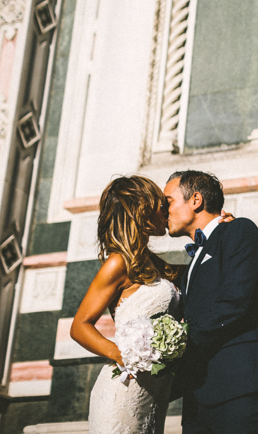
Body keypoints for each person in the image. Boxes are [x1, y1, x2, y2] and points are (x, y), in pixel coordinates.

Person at [164, 170, 258, 434]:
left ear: (196, 200)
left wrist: (178, 342)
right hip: (198, 398)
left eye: (168, 202)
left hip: (241, 388)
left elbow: (235, 302)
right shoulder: (196, 258)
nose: (164, 212)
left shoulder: (239, 231)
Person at [71, 175, 182, 434]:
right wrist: (121, 354)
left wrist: (221, 230)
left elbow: (203, 269)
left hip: (153, 395)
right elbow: (79, 326)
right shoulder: (118, 263)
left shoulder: (156, 264)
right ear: (142, 210)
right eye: (160, 203)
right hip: (123, 393)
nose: (165, 209)